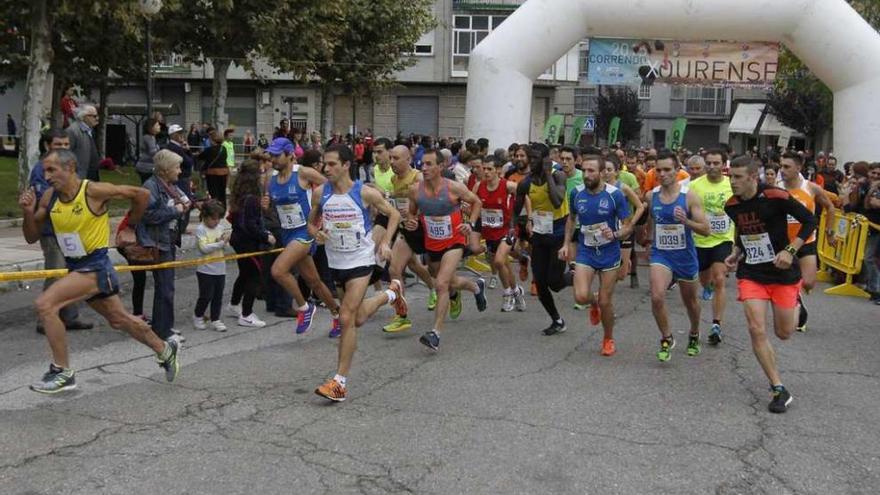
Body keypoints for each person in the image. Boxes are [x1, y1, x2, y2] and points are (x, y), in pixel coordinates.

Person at [18, 149, 180, 393]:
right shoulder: (49, 197)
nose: (47, 176)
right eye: (45, 171)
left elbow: (142, 194)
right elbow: (31, 236)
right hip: (75, 266)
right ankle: (164, 349)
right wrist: (28, 212)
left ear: (70, 167)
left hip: (95, 265)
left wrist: (131, 227)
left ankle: (63, 372)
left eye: (52, 170)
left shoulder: (92, 191)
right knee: (119, 319)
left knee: (45, 305)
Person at [309, 144, 406, 402]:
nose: (326, 169)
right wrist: (315, 233)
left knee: (345, 317)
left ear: (345, 165)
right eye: (324, 164)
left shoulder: (364, 193)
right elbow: (311, 222)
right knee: (358, 318)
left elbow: (394, 214)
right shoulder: (320, 193)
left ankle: (339, 382)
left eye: (331, 164)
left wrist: (385, 242)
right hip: (336, 261)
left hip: (361, 260)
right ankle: (391, 294)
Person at [724, 155, 817, 413]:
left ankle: (797, 300)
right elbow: (743, 231)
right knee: (756, 328)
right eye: (731, 176)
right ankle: (778, 387)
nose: (732, 182)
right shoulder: (731, 205)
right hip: (752, 273)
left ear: (753, 177)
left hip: (783, 273)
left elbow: (810, 220)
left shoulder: (775, 195)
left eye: (738, 177)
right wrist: (736, 251)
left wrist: (790, 250)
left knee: (784, 333)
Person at [408, 150, 488, 351]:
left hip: (455, 240)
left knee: (442, 284)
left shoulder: (453, 188)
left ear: (440, 166)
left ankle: (435, 333)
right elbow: (412, 213)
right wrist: (411, 221)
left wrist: (470, 224)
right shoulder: (415, 190)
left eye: (428, 164)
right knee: (448, 281)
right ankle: (475, 286)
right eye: (422, 164)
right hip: (432, 243)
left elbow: (477, 202)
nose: (423, 168)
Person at [264, 138, 342, 336]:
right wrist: (265, 205)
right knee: (314, 282)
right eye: (271, 155)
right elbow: (274, 206)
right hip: (287, 233)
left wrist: (321, 217)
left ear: (290, 155)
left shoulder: (304, 173)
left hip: (304, 232)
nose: (272, 159)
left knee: (278, 270)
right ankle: (338, 315)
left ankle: (304, 308)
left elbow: (332, 188)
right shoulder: (269, 177)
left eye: (276, 155)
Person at [560, 154, 633, 356]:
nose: (586, 174)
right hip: (586, 250)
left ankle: (608, 337)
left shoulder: (614, 195)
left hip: (609, 252)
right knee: (581, 296)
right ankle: (593, 302)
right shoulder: (576, 193)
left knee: (606, 301)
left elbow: (627, 225)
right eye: (584, 170)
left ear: (602, 173)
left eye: (591, 171)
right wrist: (566, 244)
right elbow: (571, 219)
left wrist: (616, 234)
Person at [642, 150, 710, 361]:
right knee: (656, 296)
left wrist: (686, 222)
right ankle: (666, 337)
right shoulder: (651, 196)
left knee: (690, 302)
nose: (662, 174)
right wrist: (649, 238)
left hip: (685, 256)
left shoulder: (688, 196)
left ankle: (694, 332)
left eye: (667, 169)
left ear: (677, 170)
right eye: (658, 170)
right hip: (661, 254)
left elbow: (706, 229)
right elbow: (651, 220)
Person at [28, 129, 93, 334]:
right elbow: (46, 198)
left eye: (66, 145)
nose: (64, 148)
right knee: (55, 273)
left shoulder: (71, 166)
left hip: (70, 230)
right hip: (51, 230)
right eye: (58, 145)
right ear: (48, 146)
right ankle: (45, 317)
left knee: (72, 272)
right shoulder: (42, 169)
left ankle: (70, 316)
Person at [515, 145, 572, 336]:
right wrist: (512, 230)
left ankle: (575, 275)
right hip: (539, 235)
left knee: (554, 282)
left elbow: (557, 201)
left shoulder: (558, 176)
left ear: (546, 159)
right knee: (539, 282)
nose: (531, 161)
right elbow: (515, 211)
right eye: (530, 158)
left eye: (536, 158)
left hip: (558, 234)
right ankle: (557, 320)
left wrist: (548, 173)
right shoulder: (526, 183)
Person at [382, 145, 438, 333]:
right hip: (407, 229)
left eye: (396, 158)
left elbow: (431, 200)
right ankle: (402, 315)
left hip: (426, 229)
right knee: (395, 269)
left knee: (435, 270)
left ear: (408, 159)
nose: (392, 162)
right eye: (390, 158)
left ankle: (442, 290)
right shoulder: (393, 178)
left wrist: (416, 215)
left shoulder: (418, 177)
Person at [778, 151, 836, 331]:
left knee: (809, 282)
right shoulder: (777, 188)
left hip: (806, 240)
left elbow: (830, 206)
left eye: (787, 167)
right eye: (781, 166)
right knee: (789, 277)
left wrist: (830, 232)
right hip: (784, 243)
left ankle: (797, 295)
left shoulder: (811, 188)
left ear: (798, 167)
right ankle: (796, 303)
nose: (782, 170)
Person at [138, 149, 192, 341]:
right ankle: (163, 331)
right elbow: (147, 216)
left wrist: (186, 204)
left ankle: (165, 326)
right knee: (165, 287)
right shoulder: (150, 187)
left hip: (167, 240)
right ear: (166, 169)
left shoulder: (169, 185)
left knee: (167, 287)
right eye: (177, 167)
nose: (179, 171)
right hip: (157, 242)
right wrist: (174, 211)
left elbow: (184, 202)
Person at [688, 149, 735, 345]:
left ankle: (716, 324)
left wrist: (739, 244)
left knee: (719, 280)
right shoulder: (694, 186)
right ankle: (706, 287)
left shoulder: (731, 185)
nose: (712, 167)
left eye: (716, 163)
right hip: (699, 240)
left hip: (723, 239)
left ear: (724, 165)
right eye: (709, 163)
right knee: (704, 280)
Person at [228, 160, 274, 327]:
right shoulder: (252, 199)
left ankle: (234, 304)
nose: (263, 176)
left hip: (239, 240)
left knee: (244, 273)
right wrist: (265, 236)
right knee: (254, 275)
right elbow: (250, 225)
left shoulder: (240, 196)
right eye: (261, 173)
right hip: (247, 243)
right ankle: (246, 313)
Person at [475, 155, 523, 311]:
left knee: (498, 261)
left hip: (507, 229)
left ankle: (507, 293)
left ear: (498, 170)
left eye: (490, 169)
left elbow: (525, 196)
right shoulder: (478, 186)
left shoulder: (508, 186)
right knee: (504, 265)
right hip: (489, 232)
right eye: (484, 169)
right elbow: (473, 204)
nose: (486, 172)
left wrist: (526, 216)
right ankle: (516, 290)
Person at [193, 200, 230, 332]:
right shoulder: (200, 229)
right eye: (213, 219)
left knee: (218, 295)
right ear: (205, 216)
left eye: (219, 219)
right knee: (206, 295)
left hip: (220, 268)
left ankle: (216, 318)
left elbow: (223, 246)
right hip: (205, 269)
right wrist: (220, 243)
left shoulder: (220, 228)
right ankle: (198, 315)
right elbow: (203, 248)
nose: (216, 222)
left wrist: (224, 243)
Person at [65, 104, 101, 181]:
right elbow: (66, 154)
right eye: (94, 116)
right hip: (80, 177)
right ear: (84, 117)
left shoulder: (90, 130)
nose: (97, 118)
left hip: (92, 174)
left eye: (97, 116)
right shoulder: (73, 131)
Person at [198, 130, 229, 206]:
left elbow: (200, 157)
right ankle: (223, 207)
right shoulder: (224, 149)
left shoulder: (209, 150)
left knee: (213, 192)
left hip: (212, 173)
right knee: (222, 192)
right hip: (224, 172)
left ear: (213, 140)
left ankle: (215, 208)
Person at [164, 124, 195, 201]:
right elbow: (189, 162)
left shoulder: (175, 147)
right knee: (186, 200)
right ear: (174, 135)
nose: (182, 135)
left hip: (180, 177)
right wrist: (188, 151)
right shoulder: (176, 148)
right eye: (180, 133)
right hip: (181, 177)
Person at [135, 118, 161, 183]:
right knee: (148, 186)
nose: (159, 126)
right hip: (146, 167)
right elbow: (153, 152)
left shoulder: (152, 137)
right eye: (157, 125)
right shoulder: (148, 137)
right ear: (151, 127)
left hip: (148, 166)